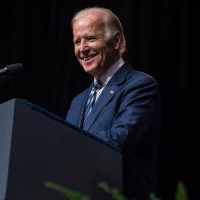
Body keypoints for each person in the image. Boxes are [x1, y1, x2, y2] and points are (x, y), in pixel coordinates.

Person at [66, 7, 162, 200]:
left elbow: (119, 139)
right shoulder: (78, 101)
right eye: (77, 41)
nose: (82, 48)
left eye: (91, 38)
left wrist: (66, 153)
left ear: (116, 41)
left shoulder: (139, 85)